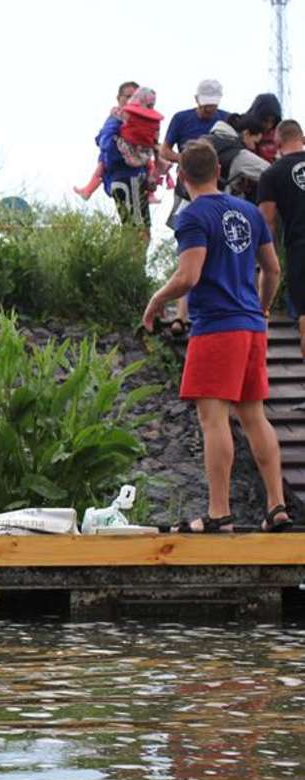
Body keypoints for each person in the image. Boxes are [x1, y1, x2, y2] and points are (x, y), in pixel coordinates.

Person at [142, 141, 291, 534]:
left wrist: (156, 301)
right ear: (219, 172)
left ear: (182, 176)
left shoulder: (192, 216)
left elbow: (188, 276)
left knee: (213, 419)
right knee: (254, 416)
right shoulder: (248, 211)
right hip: (251, 327)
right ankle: (276, 505)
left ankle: (219, 512)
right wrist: (262, 308)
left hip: (217, 328)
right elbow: (272, 269)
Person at [159, 79, 230, 330]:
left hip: (215, 190)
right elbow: (164, 150)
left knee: (217, 247)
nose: (210, 110)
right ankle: (181, 314)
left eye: (213, 105)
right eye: (206, 105)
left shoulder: (226, 119)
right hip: (186, 189)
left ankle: (211, 304)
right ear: (196, 99)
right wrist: (189, 160)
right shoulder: (181, 119)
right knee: (187, 248)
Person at [258, 119, 305, 357]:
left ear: (277, 142)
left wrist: (269, 260)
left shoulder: (272, 174)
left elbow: (266, 220)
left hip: (300, 248)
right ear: (302, 138)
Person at [96, 87, 162, 230]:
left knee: (138, 227)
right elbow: (104, 143)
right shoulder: (116, 120)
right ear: (119, 98)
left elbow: (152, 149)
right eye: (128, 96)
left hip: (135, 179)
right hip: (127, 178)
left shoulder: (146, 123)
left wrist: (151, 176)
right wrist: (122, 149)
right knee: (138, 228)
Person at [74, 80, 138, 200]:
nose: (131, 101)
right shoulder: (116, 116)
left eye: (135, 97)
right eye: (128, 97)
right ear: (119, 98)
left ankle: (88, 189)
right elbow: (104, 139)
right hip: (118, 168)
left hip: (132, 170)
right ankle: (88, 189)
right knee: (102, 161)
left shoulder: (139, 118)